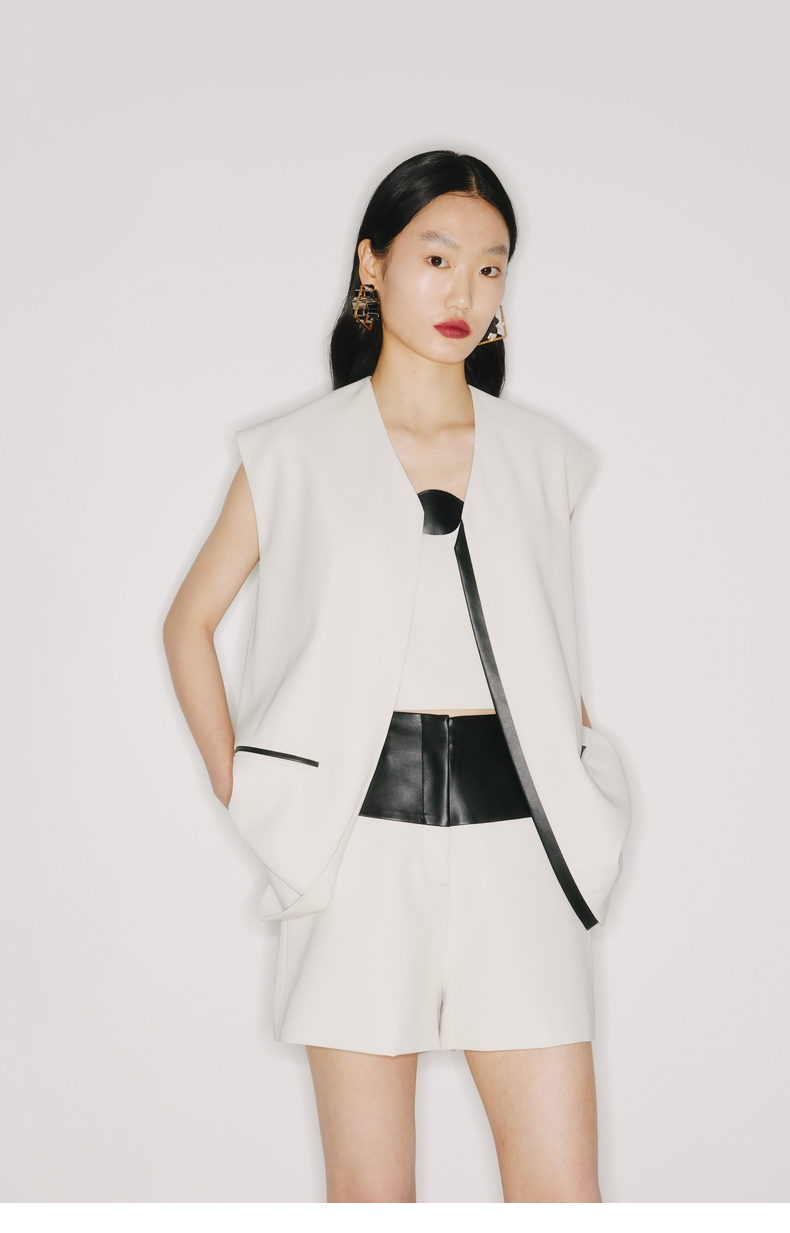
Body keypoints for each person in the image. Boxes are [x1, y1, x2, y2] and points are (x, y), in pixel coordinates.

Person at [163, 150, 631, 1203]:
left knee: (563, 1198)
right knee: (372, 1198)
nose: (466, 289)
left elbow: (547, 650)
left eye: (491, 266)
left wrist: (581, 762)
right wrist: (244, 784)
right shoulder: (293, 453)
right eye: (437, 257)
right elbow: (188, 623)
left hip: (518, 850)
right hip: (358, 852)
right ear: (371, 264)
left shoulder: (541, 455)